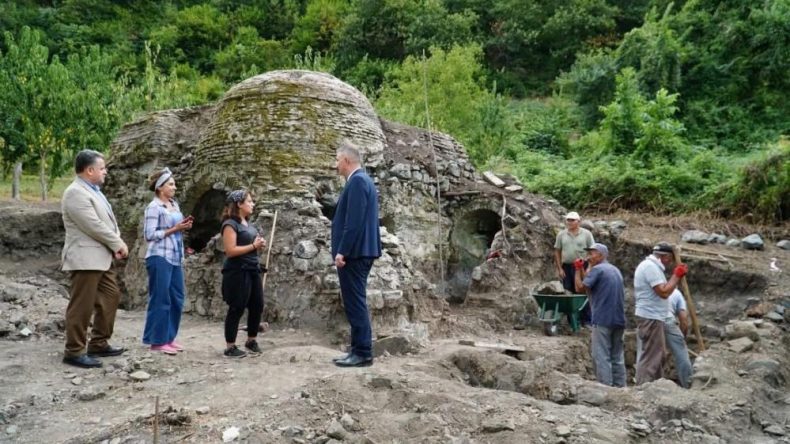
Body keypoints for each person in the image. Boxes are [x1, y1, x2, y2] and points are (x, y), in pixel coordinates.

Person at [61, 149, 129, 368]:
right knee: (82, 305)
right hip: (85, 257)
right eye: (102, 168)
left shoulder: (93, 190)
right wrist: (117, 243)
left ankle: (98, 342)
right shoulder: (75, 192)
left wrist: (113, 243)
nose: (105, 172)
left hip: (101, 257)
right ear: (89, 170)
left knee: (111, 296)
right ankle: (74, 351)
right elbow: (93, 225)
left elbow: (105, 222)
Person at [331, 141, 382, 368]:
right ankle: (358, 350)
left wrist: (343, 251)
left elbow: (354, 222)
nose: (335, 164)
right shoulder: (361, 181)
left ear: (347, 160)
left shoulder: (358, 182)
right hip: (359, 252)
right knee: (354, 301)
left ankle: (362, 352)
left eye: (337, 159)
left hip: (355, 253)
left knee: (355, 303)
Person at [142, 168, 193, 355]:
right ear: (160, 187)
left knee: (177, 298)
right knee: (161, 299)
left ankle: (169, 338)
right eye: (170, 184)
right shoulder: (153, 208)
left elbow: (175, 228)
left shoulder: (174, 204)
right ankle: (157, 340)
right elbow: (149, 235)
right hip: (159, 257)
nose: (174, 187)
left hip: (175, 256)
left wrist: (183, 226)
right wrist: (175, 229)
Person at [220, 190, 266, 358]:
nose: (252, 204)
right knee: (237, 307)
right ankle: (230, 346)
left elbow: (251, 246)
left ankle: (251, 340)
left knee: (257, 305)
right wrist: (253, 246)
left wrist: (259, 244)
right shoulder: (230, 224)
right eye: (249, 201)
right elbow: (230, 251)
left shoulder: (249, 225)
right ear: (239, 204)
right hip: (237, 271)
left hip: (252, 269)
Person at [633, 242, 688, 385]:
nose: (669, 263)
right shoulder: (650, 267)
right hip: (651, 316)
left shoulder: (653, 267)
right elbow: (663, 292)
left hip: (655, 316)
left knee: (658, 354)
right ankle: (644, 388)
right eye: (669, 259)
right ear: (664, 257)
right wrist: (676, 276)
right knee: (651, 356)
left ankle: (656, 386)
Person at [573, 243, 626, 387]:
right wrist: (586, 269)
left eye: (592, 253)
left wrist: (578, 270)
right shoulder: (613, 269)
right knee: (617, 356)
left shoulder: (598, 270)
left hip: (602, 319)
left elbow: (580, 288)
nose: (589, 256)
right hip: (619, 319)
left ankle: (606, 388)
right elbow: (590, 283)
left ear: (601, 255)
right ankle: (621, 388)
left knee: (601, 356)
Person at [554, 211, 594, 324]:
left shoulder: (586, 234)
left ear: (579, 221)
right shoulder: (561, 235)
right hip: (566, 267)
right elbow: (557, 251)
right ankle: (572, 321)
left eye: (572, 220)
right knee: (568, 292)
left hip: (582, 266)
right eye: (568, 220)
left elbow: (592, 250)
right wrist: (559, 268)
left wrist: (588, 266)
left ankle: (586, 320)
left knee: (583, 292)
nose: (570, 222)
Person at [664, 289, 693, 388]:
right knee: (681, 354)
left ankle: (647, 384)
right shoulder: (677, 293)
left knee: (650, 355)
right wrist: (682, 338)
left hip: (651, 320)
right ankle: (687, 383)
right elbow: (684, 320)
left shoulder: (653, 288)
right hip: (668, 320)